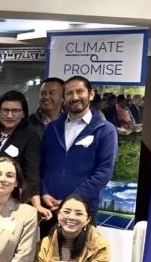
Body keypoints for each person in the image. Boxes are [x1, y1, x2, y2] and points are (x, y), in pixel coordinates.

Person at [40, 75, 118, 221]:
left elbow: (103, 173)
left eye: (80, 91)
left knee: (81, 245)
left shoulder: (105, 130)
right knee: (46, 244)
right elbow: (41, 165)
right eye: (69, 93)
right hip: (50, 208)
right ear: (63, 98)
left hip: (82, 209)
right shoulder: (52, 128)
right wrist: (43, 192)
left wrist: (71, 200)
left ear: (91, 94)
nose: (75, 97)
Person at [0, 90, 47, 220]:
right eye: (5, 110)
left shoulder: (30, 138)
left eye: (15, 111)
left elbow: (32, 174)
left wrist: (37, 204)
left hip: (15, 200)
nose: (9, 115)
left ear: (23, 114)